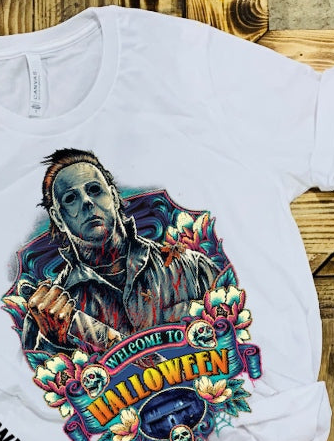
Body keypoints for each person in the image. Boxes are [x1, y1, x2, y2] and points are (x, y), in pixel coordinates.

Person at [22, 149, 216, 354]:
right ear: (57, 218)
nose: (87, 202)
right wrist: (56, 342)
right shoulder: (44, 318)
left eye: (94, 189)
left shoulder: (193, 269)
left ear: (114, 196)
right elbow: (36, 370)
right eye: (71, 198)